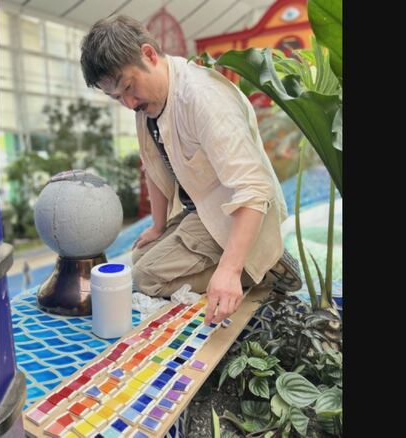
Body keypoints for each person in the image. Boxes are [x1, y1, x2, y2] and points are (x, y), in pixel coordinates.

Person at [79, 15, 302, 325]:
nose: (128, 103)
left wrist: (230, 270)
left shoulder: (204, 97)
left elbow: (254, 189)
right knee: (139, 257)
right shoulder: (146, 104)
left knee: (145, 278)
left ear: (149, 55)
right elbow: (153, 165)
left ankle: (261, 269)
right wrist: (158, 227)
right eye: (117, 97)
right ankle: (250, 262)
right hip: (201, 213)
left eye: (128, 87)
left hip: (233, 214)